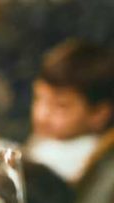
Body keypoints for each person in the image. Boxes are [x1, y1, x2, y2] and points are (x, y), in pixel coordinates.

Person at [26, 40, 114, 183]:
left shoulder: (85, 160)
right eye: (38, 98)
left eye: (61, 106)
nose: (43, 115)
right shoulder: (48, 139)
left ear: (99, 114)